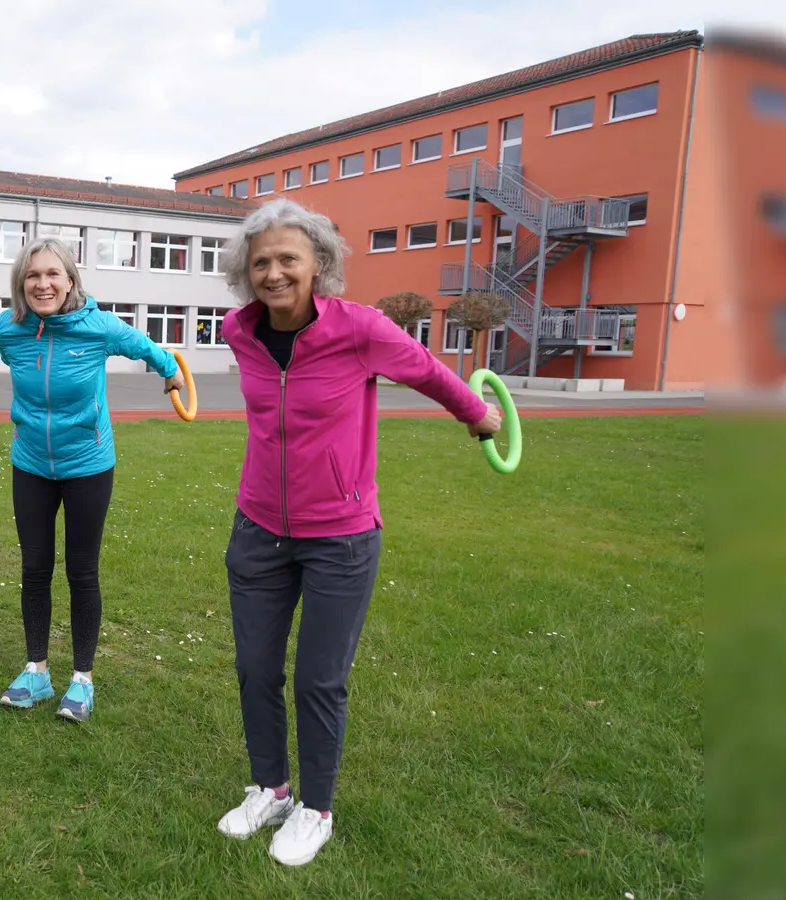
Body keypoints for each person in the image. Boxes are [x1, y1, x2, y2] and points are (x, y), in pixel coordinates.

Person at [212, 199, 501, 865]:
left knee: (319, 679)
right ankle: (271, 788)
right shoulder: (239, 331)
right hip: (257, 527)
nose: (275, 272)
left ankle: (315, 809)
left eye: (289, 258)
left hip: (340, 534)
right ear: (246, 273)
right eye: (262, 262)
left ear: (319, 264)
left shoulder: (361, 329)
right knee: (255, 668)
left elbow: (428, 370)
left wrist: (477, 414)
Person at [0, 237, 186, 723]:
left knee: (82, 570)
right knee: (34, 568)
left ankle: (82, 679)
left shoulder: (98, 326)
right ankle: (36, 671)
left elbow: (147, 347)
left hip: (88, 465)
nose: (43, 283)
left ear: (71, 279)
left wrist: (171, 373)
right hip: (31, 461)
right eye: (33, 275)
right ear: (21, 282)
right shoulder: (7, 329)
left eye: (53, 274)